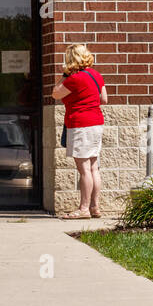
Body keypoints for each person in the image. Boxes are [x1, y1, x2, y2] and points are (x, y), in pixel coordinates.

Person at [51, 43, 107, 219]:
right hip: (96, 122)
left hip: (81, 124)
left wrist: (64, 75)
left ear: (71, 59)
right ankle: (94, 207)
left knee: (84, 170)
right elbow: (103, 99)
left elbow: (55, 93)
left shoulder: (74, 79)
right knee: (93, 167)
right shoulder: (96, 75)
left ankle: (83, 209)